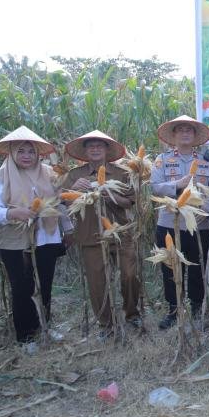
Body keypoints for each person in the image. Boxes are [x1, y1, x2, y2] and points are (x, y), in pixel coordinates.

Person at [0, 127, 72, 343]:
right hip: (15, 241)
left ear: (38, 154)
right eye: (21, 151)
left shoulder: (49, 173)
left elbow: (60, 202)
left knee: (45, 284)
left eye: (31, 152)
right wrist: (12, 213)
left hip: (47, 238)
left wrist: (68, 228)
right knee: (22, 288)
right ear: (12, 152)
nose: (27, 156)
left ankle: (44, 326)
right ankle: (25, 336)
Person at [64, 131, 142, 336]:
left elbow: (130, 202)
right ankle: (106, 324)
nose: (95, 149)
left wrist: (111, 196)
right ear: (85, 151)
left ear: (107, 150)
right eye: (91, 146)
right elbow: (65, 203)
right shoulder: (75, 175)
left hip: (121, 232)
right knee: (97, 283)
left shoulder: (122, 173)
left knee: (129, 274)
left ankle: (132, 314)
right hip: (90, 235)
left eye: (100, 146)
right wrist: (74, 190)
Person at [151, 116, 209, 329]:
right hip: (169, 224)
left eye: (189, 130)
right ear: (173, 135)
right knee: (171, 268)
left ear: (195, 135)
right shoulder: (162, 160)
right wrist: (177, 184)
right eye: (180, 130)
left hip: (198, 225)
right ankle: (174, 310)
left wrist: (206, 211)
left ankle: (197, 308)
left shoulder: (206, 161)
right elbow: (155, 187)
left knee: (198, 267)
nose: (185, 133)